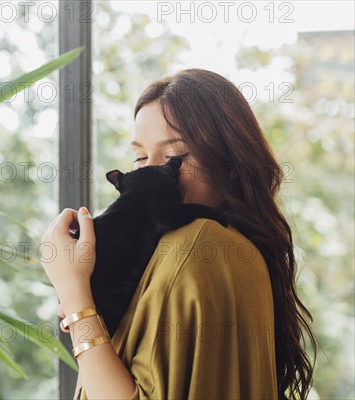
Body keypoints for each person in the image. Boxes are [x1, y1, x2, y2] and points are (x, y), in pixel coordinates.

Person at [40, 69, 316, 399]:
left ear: (228, 163)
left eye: (174, 156)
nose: (154, 169)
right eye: (140, 157)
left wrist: (75, 296)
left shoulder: (195, 246)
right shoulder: (237, 252)